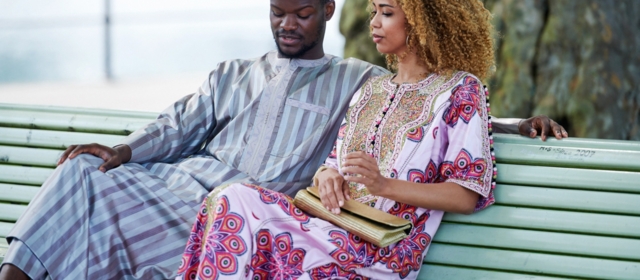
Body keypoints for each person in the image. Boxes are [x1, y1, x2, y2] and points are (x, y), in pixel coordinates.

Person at [0, 0, 567, 279]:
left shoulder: (378, 81)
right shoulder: (359, 90)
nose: (286, 24)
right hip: (282, 212)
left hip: (356, 239)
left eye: (386, 11)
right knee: (91, 176)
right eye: (277, 13)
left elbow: (457, 149)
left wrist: (518, 125)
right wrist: (123, 151)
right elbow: (180, 124)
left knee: (232, 203)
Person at [173, 0, 533, 279]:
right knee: (229, 197)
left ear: (424, 20)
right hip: (331, 226)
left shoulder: (459, 90)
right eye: (374, 11)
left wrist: (384, 186)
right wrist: (325, 177)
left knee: (238, 204)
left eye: (387, 13)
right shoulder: (370, 90)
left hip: (381, 252)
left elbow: (466, 194)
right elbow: (332, 167)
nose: (374, 22)